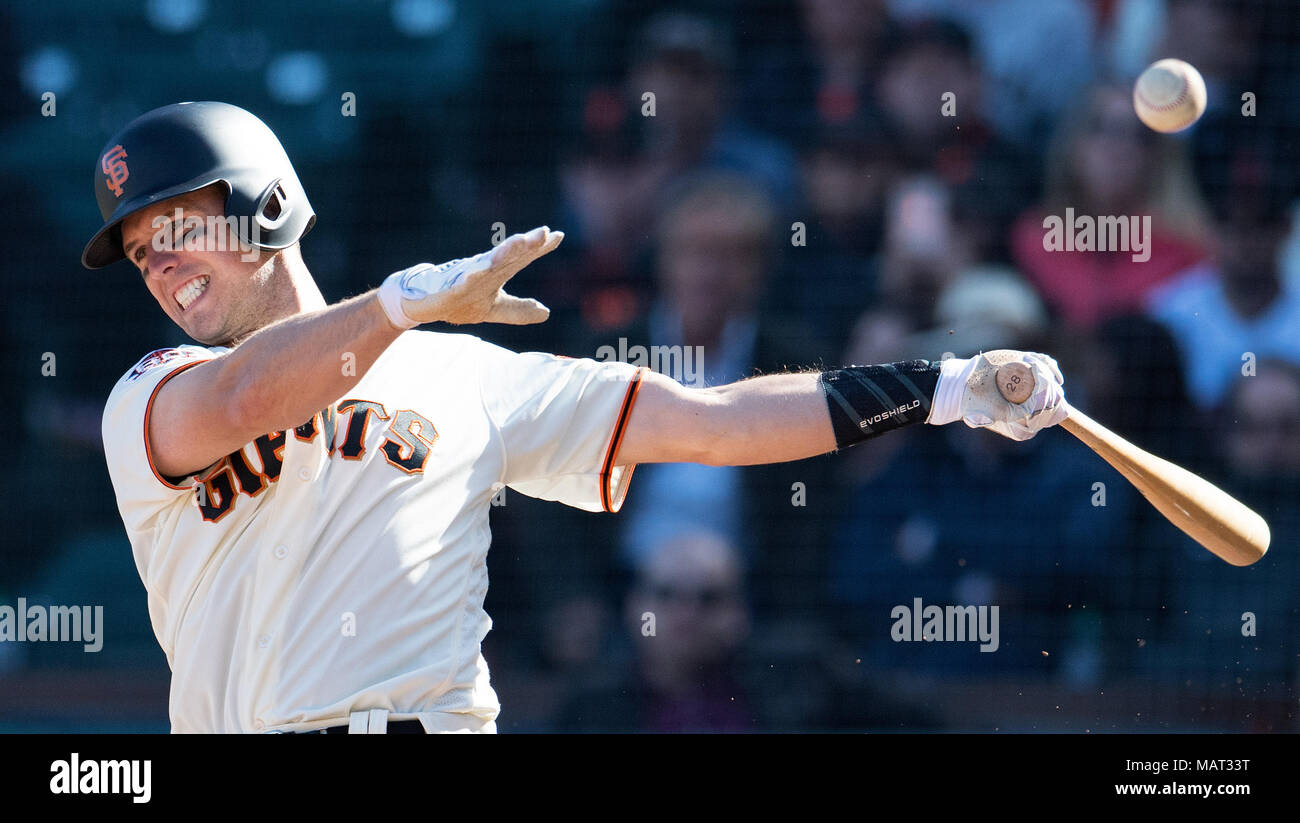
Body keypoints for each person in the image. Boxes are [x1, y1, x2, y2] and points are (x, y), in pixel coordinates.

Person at [87, 101, 1067, 733]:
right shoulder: (154, 393)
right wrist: (397, 304)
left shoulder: (461, 372)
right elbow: (249, 396)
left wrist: (946, 387)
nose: (163, 268)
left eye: (175, 230)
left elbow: (715, 420)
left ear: (264, 209)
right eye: (142, 257)